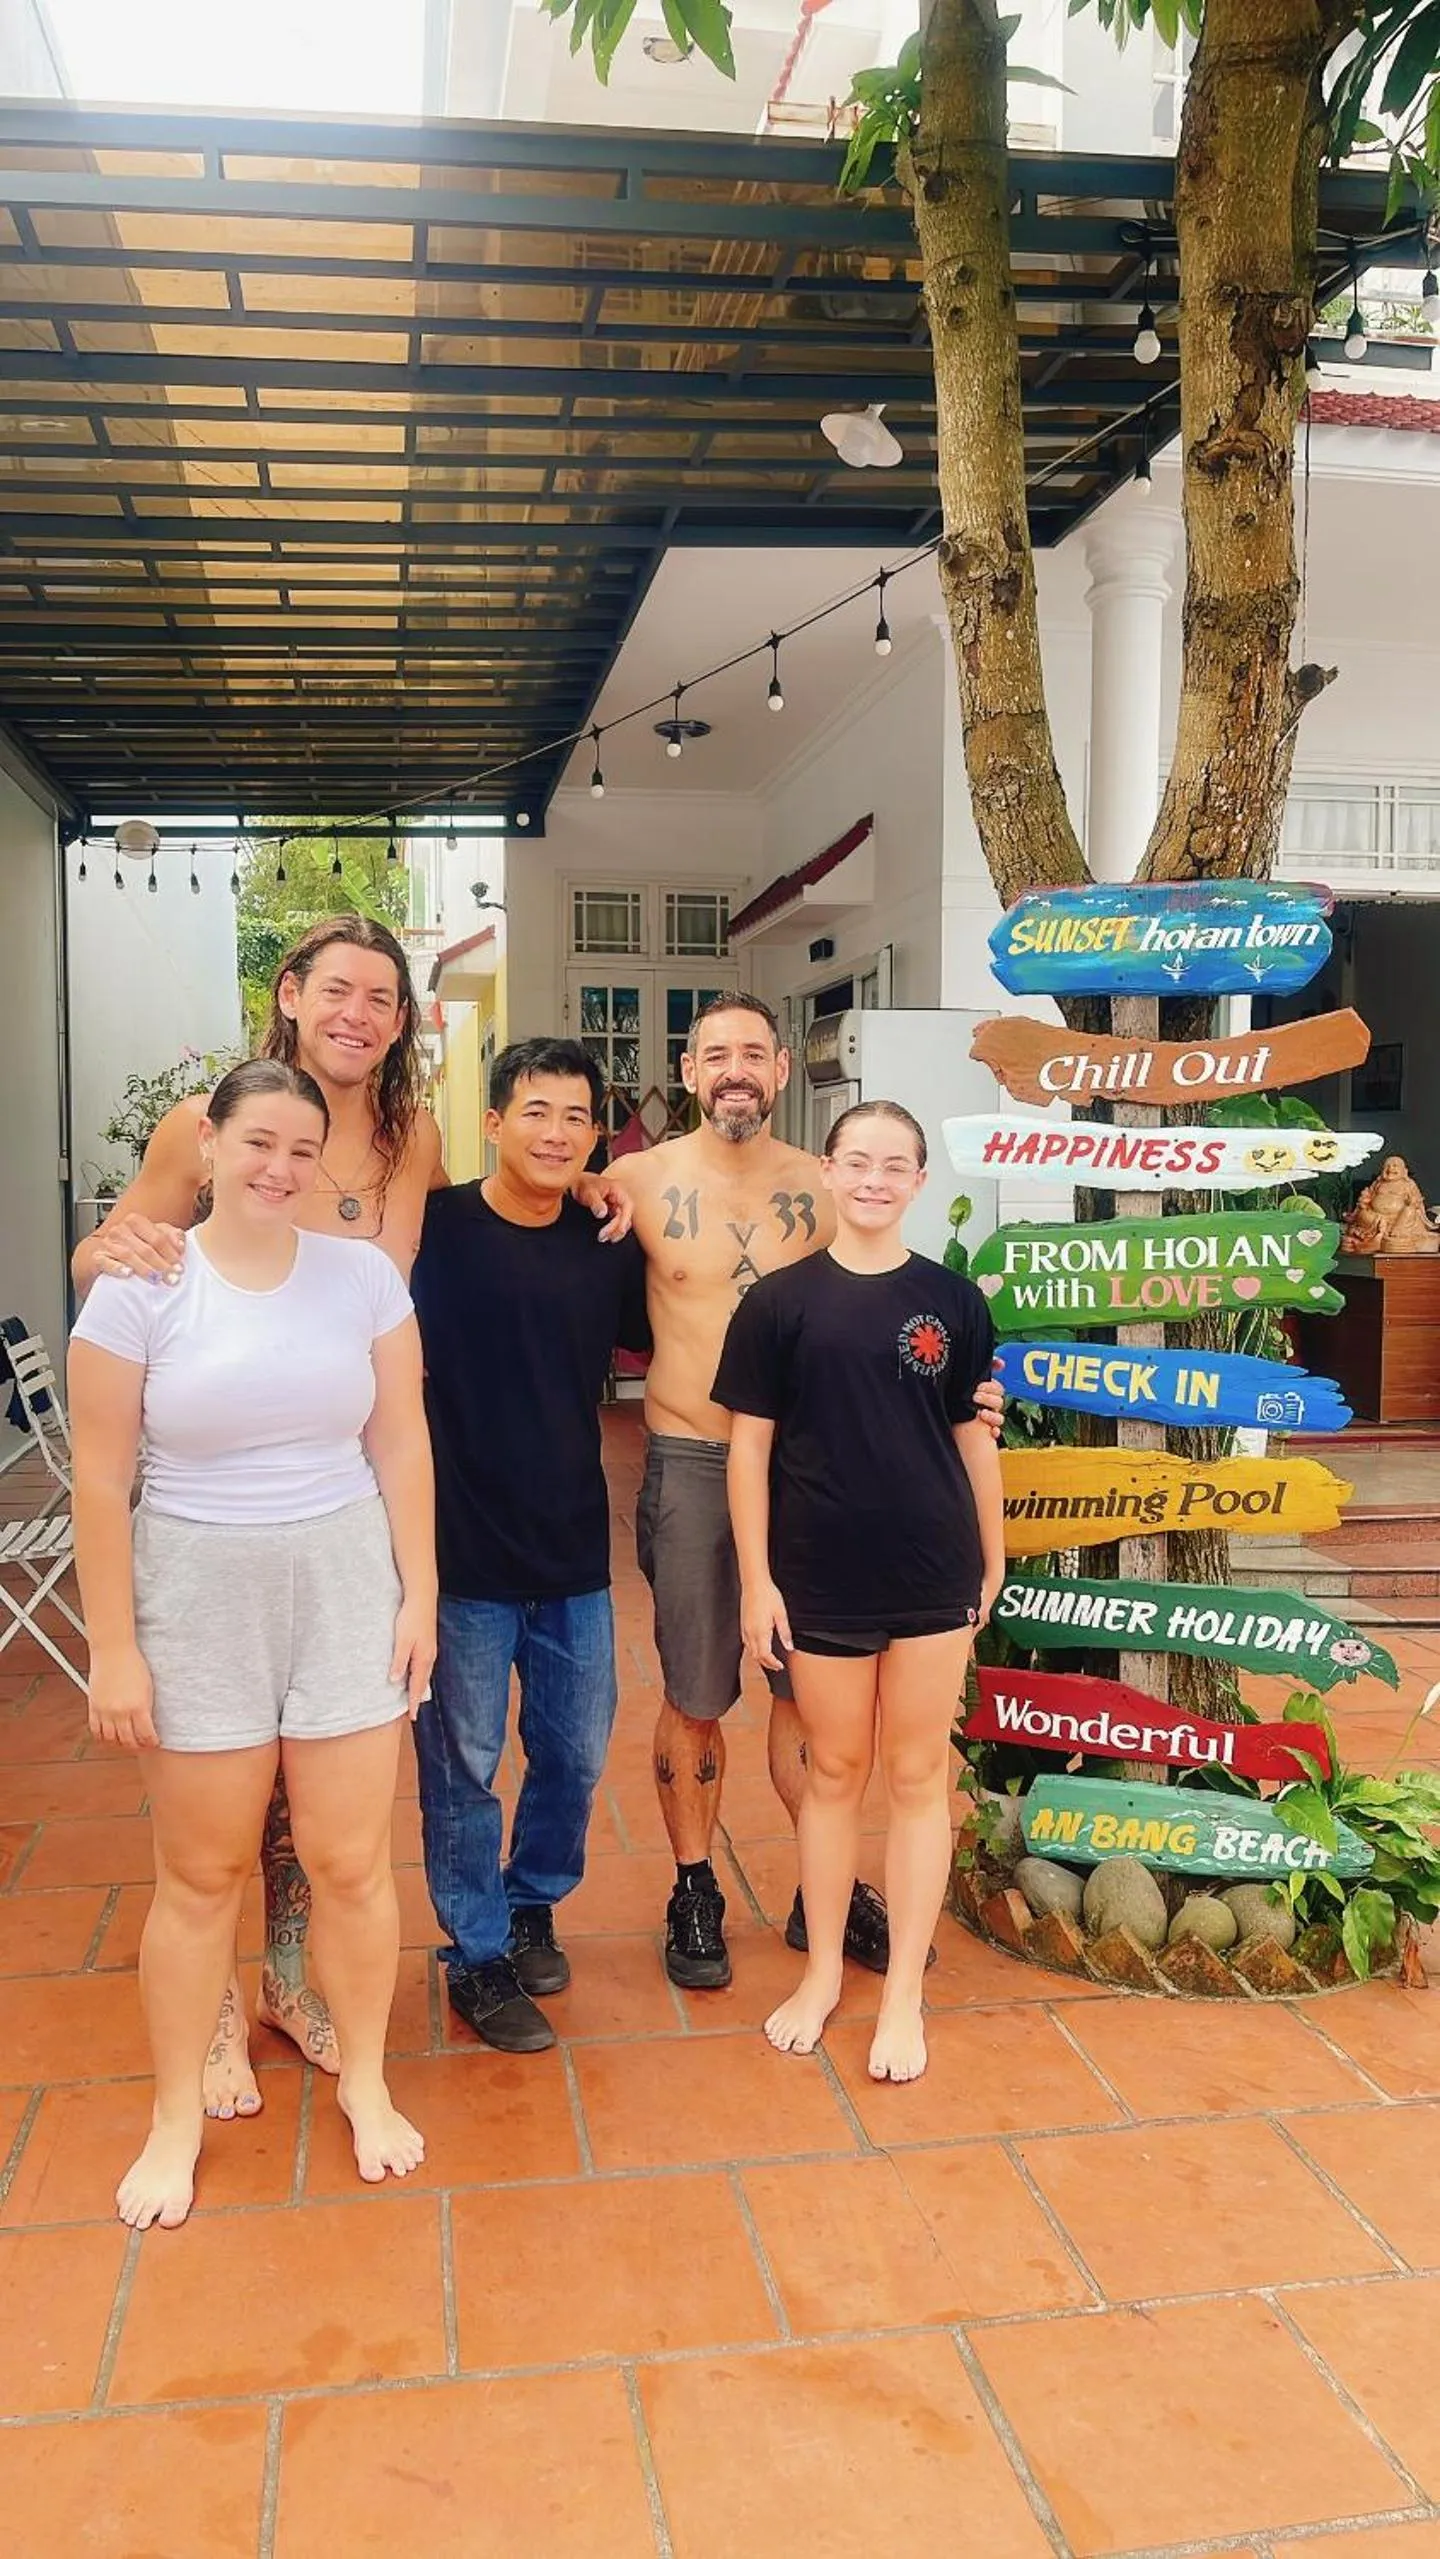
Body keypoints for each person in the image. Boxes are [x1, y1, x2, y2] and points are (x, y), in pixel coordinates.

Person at [70, 913, 632, 2110]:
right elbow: (111, 1266)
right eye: (340, 991)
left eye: (383, 999)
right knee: (221, 1787)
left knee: (323, 1798)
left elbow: (482, 1218)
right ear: (293, 994)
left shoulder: (413, 1134)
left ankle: (291, 1978)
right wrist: (110, 1243)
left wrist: (581, 1174)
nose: (359, 1015)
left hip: (362, 1487)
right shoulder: (219, 1119)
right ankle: (218, 2007)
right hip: (216, 1507)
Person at [68, 1059, 437, 2228]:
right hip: (198, 1583)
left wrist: (417, 1593)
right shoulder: (141, 1285)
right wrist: (114, 1646)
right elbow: (96, 1472)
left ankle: (366, 2083)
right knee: (201, 1875)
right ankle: (176, 2117)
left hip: (340, 1580)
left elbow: (401, 1446)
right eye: (255, 1144)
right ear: (211, 1146)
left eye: (299, 1149)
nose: (277, 1168)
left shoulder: (363, 1279)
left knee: (351, 1864)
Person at [610, 995, 1004, 1991]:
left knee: (807, 1694)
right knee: (699, 1689)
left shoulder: (828, 1183)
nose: (735, 1070)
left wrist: (970, 1395)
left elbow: (892, 1299)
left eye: (754, 1053)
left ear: (782, 1072)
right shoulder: (632, 1180)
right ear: (690, 1070)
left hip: (818, 1476)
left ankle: (811, 1897)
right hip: (701, 1457)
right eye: (715, 1055)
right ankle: (695, 1881)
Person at [715, 1100, 1004, 2083]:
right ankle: (827, 1970)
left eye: (897, 1165)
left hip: (931, 1566)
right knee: (834, 1774)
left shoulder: (954, 1301)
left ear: (920, 1182)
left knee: (920, 1778)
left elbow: (972, 1433)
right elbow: (747, 1450)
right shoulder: (780, 1304)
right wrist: (757, 1582)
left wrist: (993, 1553)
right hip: (819, 1574)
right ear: (828, 1175)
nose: (876, 1179)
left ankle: (904, 1996)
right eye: (859, 1161)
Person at [409, 1039, 650, 2053]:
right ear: (494, 1123)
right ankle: (474, 1950)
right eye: (537, 1112)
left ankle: (532, 1900)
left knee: (575, 1752)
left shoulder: (604, 1240)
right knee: (462, 1765)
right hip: (459, 1547)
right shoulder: (434, 1229)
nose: (557, 1133)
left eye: (577, 1118)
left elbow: (685, 1325)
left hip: (570, 1548)